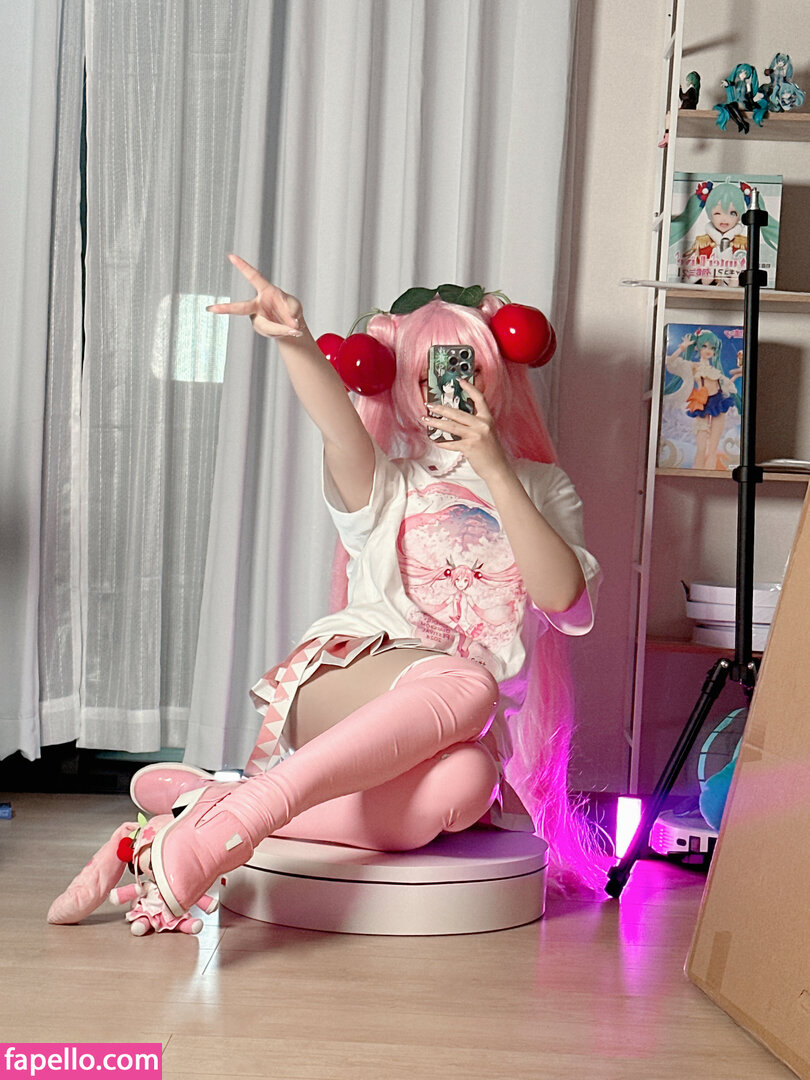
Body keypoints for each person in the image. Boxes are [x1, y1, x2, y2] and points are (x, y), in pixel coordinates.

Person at [143, 254, 605, 919]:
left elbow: (562, 600)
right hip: (348, 679)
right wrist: (297, 340)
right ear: (406, 389)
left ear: (497, 377)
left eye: (469, 370)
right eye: (429, 375)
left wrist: (495, 469)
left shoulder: (543, 486)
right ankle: (238, 821)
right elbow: (337, 428)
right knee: (467, 683)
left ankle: (206, 805)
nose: (452, 388)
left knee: (468, 782)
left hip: (456, 726)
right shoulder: (390, 481)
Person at [665, 329, 742, 470]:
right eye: (705, 346)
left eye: (712, 348)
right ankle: (699, 468)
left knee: (713, 444)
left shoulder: (716, 370)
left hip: (719, 401)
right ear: (698, 347)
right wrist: (682, 347)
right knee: (701, 445)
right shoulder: (694, 366)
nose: (708, 350)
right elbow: (671, 363)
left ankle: (711, 469)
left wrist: (737, 376)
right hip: (702, 402)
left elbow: (726, 386)